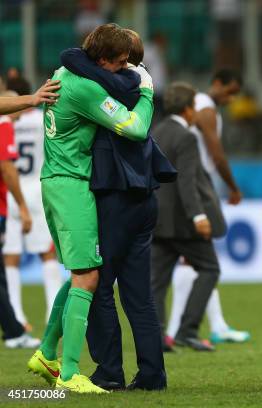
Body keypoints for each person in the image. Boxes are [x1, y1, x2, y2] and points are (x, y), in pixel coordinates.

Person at [26, 23, 154, 394]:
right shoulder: (84, 88)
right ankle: (69, 373)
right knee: (88, 277)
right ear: (101, 60)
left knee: (81, 272)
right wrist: (146, 93)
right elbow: (134, 128)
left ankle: (48, 352)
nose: (123, 69)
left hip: (56, 179)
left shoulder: (67, 71)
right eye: (119, 63)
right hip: (71, 184)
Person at [58, 30, 175, 391]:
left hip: (116, 197)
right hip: (144, 197)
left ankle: (109, 371)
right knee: (139, 295)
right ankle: (153, 375)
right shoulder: (137, 82)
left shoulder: (117, 84)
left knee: (97, 283)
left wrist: (87, 55)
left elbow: (71, 56)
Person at [166, 69, 249, 347]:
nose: (232, 97)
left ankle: (210, 325)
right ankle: (184, 327)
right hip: (195, 185)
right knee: (200, 258)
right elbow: (215, 151)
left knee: (195, 259)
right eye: (229, 90)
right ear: (216, 84)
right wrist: (233, 186)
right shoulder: (205, 109)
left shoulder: (201, 106)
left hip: (191, 182)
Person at [151, 82, 226, 352]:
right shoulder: (187, 137)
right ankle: (187, 330)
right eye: (194, 106)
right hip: (183, 222)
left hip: (158, 220)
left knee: (156, 281)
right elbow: (187, 181)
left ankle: (156, 336)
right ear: (186, 109)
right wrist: (198, 217)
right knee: (209, 268)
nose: (196, 112)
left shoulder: (155, 131)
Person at [3, 77, 63, 330]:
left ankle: (16, 315)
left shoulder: (6, 120)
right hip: (36, 188)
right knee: (47, 252)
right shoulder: (42, 119)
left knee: (10, 255)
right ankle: (53, 311)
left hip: (10, 189)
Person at [0, 91, 38, 349]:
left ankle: (14, 329)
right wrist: (23, 206)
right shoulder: (3, 125)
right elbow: (6, 166)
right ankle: (14, 330)